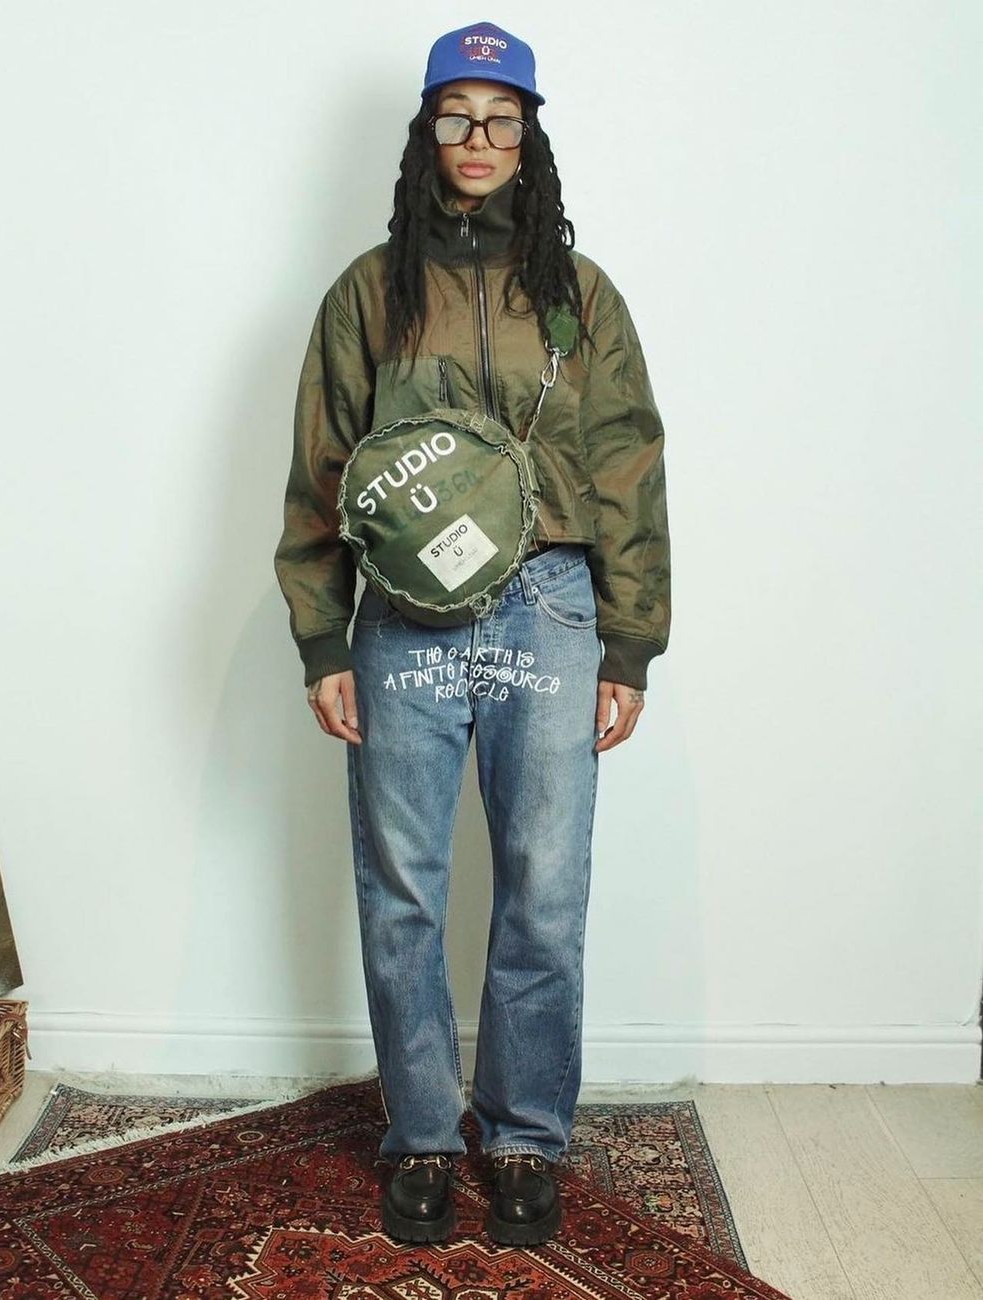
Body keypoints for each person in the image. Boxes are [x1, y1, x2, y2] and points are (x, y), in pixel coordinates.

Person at [273, 20, 671, 1248]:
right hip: (402, 620)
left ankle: (526, 1136)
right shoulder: (369, 291)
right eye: (457, 116)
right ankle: (421, 1136)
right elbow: (323, 467)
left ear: (529, 137)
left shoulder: (581, 297)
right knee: (403, 885)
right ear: (427, 133)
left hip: (548, 606)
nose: (479, 139)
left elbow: (628, 464)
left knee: (545, 886)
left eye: (502, 118)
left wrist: (628, 642)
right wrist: (323, 641)